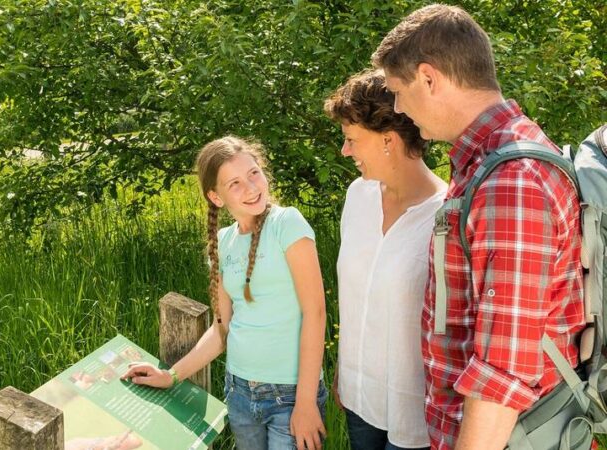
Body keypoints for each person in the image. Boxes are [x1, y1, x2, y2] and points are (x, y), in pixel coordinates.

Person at [371, 5, 585, 449]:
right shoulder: (491, 160)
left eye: (397, 91)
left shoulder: (512, 181)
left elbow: (502, 373)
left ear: (429, 79)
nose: (397, 107)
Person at [122, 136, 328, 450]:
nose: (250, 187)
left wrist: (305, 402)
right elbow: (222, 329)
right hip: (240, 393)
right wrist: (171, 376)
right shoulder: (223, 242)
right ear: (216, 197)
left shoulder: (287, 224)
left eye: (253, 173)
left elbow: (315, 313)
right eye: (234, 183)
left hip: (290, 395)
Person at [324, 68, 446, 450]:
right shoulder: (357, 197)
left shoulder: (445, 215)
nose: (345, 151)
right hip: (359, 397)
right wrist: (344, 369)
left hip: (414, 414)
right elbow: (355, 296)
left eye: (351, 140)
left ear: (389, 141)